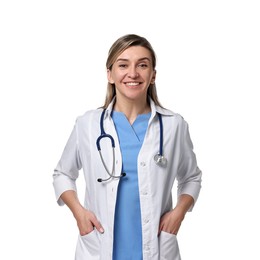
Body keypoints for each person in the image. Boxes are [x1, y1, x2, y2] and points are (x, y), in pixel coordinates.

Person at [52, 34, 202, 260]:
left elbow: (191, 177)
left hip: (157, 248)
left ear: (153, 75)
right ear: (110, 74)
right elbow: (62, 173)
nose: (133, 73)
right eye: (123, 65)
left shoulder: (174, 125)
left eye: (143, 65)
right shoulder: (88, 124)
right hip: (99, 246)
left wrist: (179, 213)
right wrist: (79, 213)